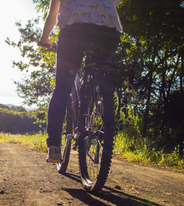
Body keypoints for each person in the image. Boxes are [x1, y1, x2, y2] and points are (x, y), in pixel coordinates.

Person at [38, 0, 123, 162]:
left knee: (62, 89)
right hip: (108, 33)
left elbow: (52, 16)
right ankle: (100, 98)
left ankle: (54, 146)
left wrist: (45, 39)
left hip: (74, 32)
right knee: (95, 72)